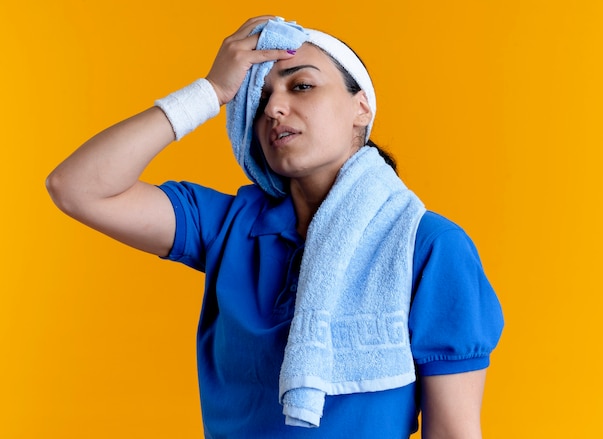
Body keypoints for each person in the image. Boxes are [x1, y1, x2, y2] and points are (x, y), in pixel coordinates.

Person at [46, 15, 503, 439]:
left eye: (301, 85)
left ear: (361, 107)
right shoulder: (227, 225)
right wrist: (209, 92)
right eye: (259, 99)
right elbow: (75, 187)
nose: (274, 110)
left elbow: (453, 432)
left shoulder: (426, 246)